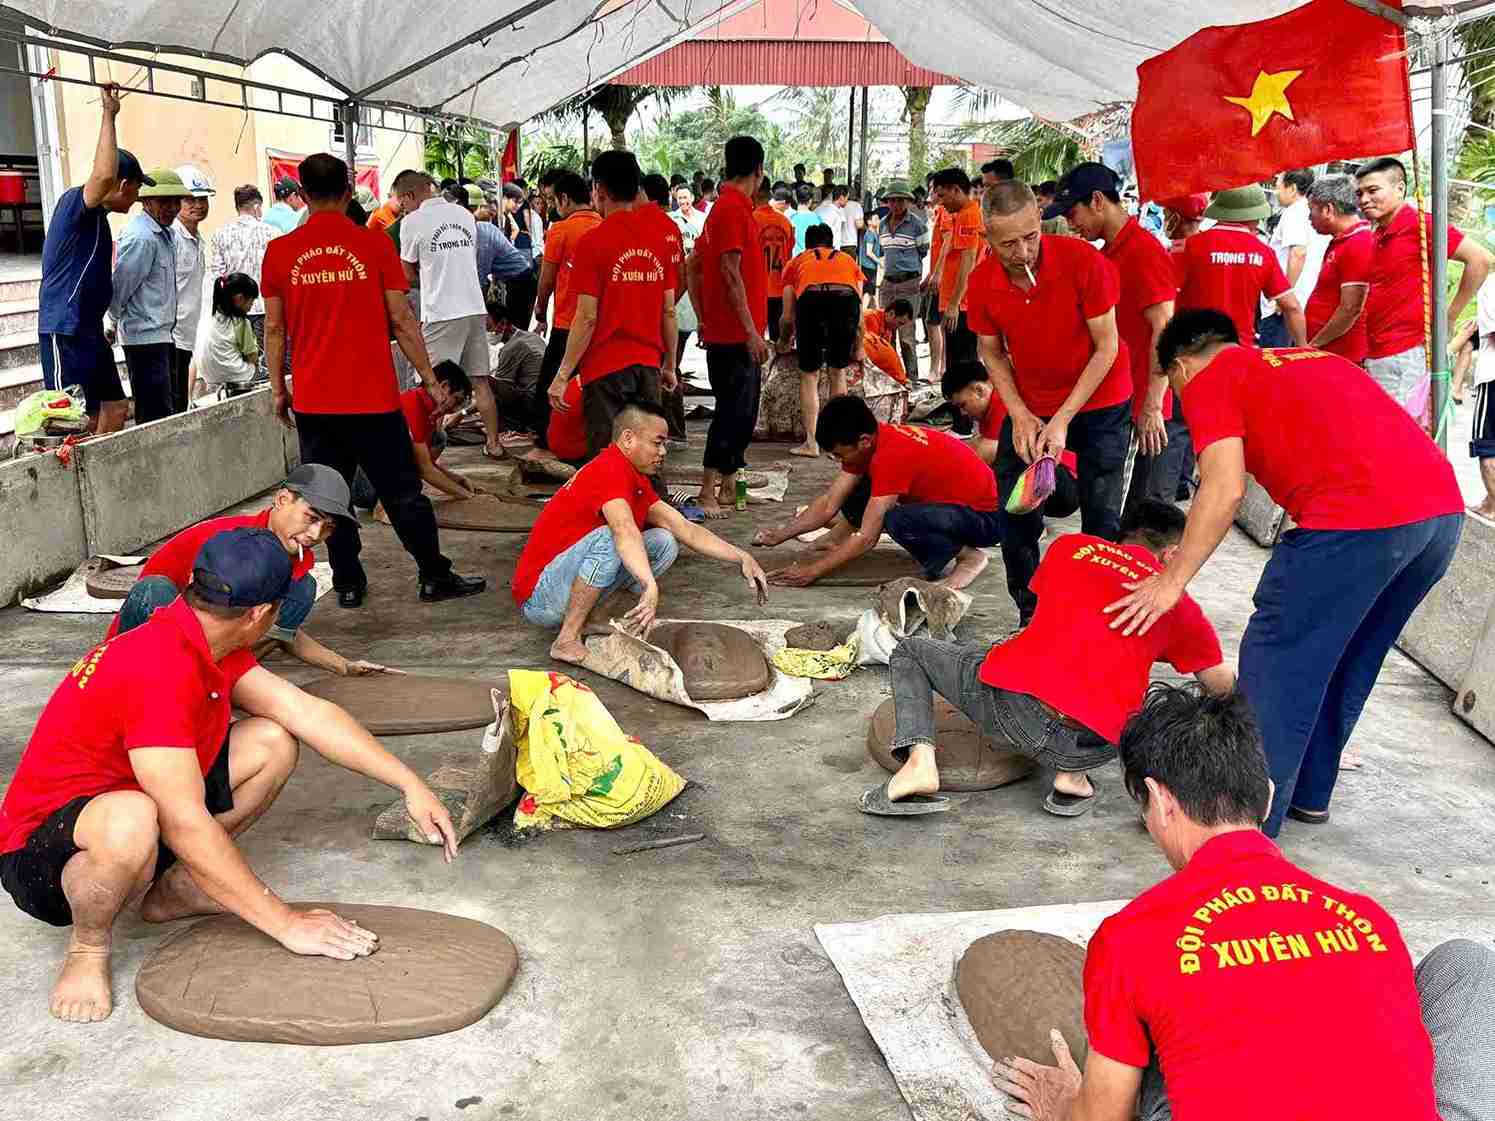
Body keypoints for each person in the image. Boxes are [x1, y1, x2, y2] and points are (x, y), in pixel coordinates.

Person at [0, 527, 461, 1025]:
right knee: (134, 817)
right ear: (260, 614)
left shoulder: (199, 636)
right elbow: (183, 821)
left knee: (271, 740)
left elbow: (307, 713)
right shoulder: (158, 669)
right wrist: (285, 923)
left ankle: (176, 887)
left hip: (133, 800)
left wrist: (409, 783)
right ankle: (88, 948)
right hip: (43, 854)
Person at [996, 683, 1495, 1121]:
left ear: (1161, 800)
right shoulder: (1368, 916)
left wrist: (1065, 1105)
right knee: (1467, 962)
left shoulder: (1130, 936)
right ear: (1269, 796)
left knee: (1160, 1038)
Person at [1105, 310, 1463, 837]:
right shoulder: (1316, 359)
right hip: (1440, 518)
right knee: (1349, 656)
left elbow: (1222, 489)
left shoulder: (1210, 380)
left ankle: (1239, 824)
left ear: (1181, 368)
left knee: (1280, 663)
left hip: (1355, 524)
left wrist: (1170, 580)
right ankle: (1309, 794)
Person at [867, 502, 1229, 816]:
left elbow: (1056, 621)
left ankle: (919, 763)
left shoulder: (1070, 547)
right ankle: (1071, 777)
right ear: (1172, 555)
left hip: (1013, 713)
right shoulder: (1184, 609)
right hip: (1093, 744)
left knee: (912, 651)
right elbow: (1221, 687)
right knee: (1151, 698)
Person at [260, 152, 485, 608]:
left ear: (302, 195)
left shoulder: (280, 252)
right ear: (348, 193)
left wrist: (279, 390)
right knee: (403, 493)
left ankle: (347, 582)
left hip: (317, 403)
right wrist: (428, 379)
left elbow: (274, 329)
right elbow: (402, 321)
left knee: (326, 497)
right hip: (374, 401)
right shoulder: (375, 245)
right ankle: (432, 575)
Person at [969, 180, 1133, 625]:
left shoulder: (1084, 261)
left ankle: (1093, 614)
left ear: (1040, 222)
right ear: (988, 238)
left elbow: (1107, 348)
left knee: (1101, 514)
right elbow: (992, 351)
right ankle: (1031, 612)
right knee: (1013, 506)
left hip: (1100, 398)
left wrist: (1061, 420)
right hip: (1034, 400)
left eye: (1030, 237)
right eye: (1008, 244)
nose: (1022, 252)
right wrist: (1020, 413)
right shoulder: (982, 281)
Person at [513, 400, 768, 663]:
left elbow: (684, 527)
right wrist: (649, 584)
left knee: (664, 541)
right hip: (539, 598)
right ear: (628, 439)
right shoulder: (608, 469)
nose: (663, 452)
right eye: (657, 442)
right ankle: (566, 639)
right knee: (612, 538)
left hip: (561, 584)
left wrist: (742, 556)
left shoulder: (632, 476)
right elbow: (624, 531)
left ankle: (592, 618)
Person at [108, 462, 392, 674]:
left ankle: (221, 675)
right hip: (149, 643)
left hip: (212, 643)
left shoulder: (294, 559)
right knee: (155, 590)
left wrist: (343, 665)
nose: (316, 534)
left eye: (328, 527)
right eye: (311, 517)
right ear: (282, 500)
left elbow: (283, 632)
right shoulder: (228, 543)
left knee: (303, 588)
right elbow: (173, 611)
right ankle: (187, 684)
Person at [751, 395, 1001, 589]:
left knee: (895, 519)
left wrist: (813, 571)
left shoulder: (891, 456)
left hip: (986, 519)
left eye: (840, 454)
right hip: (949, 507)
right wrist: (781, 535)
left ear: (863, 440)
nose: (838, 461)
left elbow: (868, 538)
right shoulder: (872, 439)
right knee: (857, 487)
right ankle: (835, 539)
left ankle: (969, 557)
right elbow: (829, 503)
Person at [1052, 163, 1182, 521]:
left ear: (1097, 201)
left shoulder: (1144, 250)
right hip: (1119, 398)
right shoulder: (1109, 251)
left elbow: (1164, 327)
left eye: (1072, 212)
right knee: (1112, 504)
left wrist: (1153, 403)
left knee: (1130, 509)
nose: (1070, 223)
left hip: (1141, 401)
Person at [548, 150, 678, 458]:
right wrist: (669, 364)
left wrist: (563, 374)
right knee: (648, 457)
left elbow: (587, 317)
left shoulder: (592, 243)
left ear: (599, 190)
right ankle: (647, 505)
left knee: (607, 458)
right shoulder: (658, 239)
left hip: (605, 370)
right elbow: (668, 310)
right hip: (647, 366)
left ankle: (613, 507)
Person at [37, 84, 144, 434]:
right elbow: (101, 177)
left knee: (115, 409)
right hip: (64, 329)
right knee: (70, 421)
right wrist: (109, 114)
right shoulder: (75, 205)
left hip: (90, 331)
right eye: (137, 189)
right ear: (123, 184)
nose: (137, 197)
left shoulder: (100, 220)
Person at [1358, 156, 1492, 412]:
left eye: (1373, 190)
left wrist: (1450, 315)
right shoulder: (1378, 233)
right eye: (1360, 193)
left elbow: (1480, 260)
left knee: (1398, 435)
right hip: (1379, 351)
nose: (1364, 199)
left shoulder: (1421, 224)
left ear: (1400, 188)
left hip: (1406, 353)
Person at [685, 135, 770, 519]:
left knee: (741, 410)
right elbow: (729, 273)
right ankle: (707, 490)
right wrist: (751, 331)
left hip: (727, 330)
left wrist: (703, 315)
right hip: (736, 335)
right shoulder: (732, 209)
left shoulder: (724, 209)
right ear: (759, 171)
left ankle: (730, 487)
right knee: (734, 413)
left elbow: (693, 265)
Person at [398, 170, 504, 461]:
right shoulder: (463, 215)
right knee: (480, 380)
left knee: (428, 383)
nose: (402, 208)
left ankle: (424, 456)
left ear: (409, 195)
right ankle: (494, 443)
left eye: (401, 202)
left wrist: (429, 277)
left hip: (442, 310)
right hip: (474, 306)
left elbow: (406, 273)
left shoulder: (411, 222)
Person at [1174, 185, 1306, 348]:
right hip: (1238, 350)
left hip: (1192, 348)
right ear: (1256, 217)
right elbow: (1292, 307)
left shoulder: (1189, 246)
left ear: (1220, 210)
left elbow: (1168, 297)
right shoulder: (1264, 253)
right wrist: (1303, 347)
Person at [111, 168, 194, 425]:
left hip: (162, 335)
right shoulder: (142, 237)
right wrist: (111, 321)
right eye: (163, 202)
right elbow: (120, 288)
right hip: (144, 339)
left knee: (164, 411)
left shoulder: (164, 234)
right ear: (147, 202)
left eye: (175, 201)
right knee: (154, 415)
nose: (171, 208)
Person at [776, 224, 863, 458]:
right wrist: (860, 346)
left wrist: (783, 342)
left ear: (807, 244)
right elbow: (860, 312)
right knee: (838, 371)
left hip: (812, 303)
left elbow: (786, 317)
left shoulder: (797, 261)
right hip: (846, 303)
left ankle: (812, 443)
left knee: (809, 375)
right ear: (831, 243)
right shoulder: (848, 260)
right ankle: (840, 443)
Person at [532, 173, 602, 448]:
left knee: (552, 384)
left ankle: (547, 438)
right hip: (598, 322)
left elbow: (546, 279)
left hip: (566, 322)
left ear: (564, 199)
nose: (551, 206)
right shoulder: (604, 226)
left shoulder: (560, 230)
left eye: (552, 200)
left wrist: (539, 308)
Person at [353, 361, 477, 510]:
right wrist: (467, 496)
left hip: (369, 477)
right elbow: (424, 469)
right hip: (365, 488)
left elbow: (425, 462)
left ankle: (396, 492)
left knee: (439, 437)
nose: (454, 408)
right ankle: (385, 502)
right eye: (456, 399)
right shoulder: (412, 406)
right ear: (444, 386)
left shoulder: (425, 408)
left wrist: (456, 479)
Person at [210, 185, 280, 382]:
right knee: (268, 366)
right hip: (266, 308)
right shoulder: (273, 233)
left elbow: (216, 274)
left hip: (234, 311)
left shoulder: (219, 234)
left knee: (239, 366)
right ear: (257, 207)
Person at [1303, 173, 1374, 362]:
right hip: (1324, 348)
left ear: (1328, 209)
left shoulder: (1360, 243)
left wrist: (1314, 345)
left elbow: (1351, 307)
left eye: (1311, 209)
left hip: (1337, 353)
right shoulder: (1343, 239)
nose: (1309, 217)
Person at [1255, 168, 1328, 349]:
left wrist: (1284, 298)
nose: (1276, 190)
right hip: (1301, 301)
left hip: (1284, 307)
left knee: (1272, 361)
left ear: (1292, 188)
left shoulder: (1295, 212)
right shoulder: (1312, 211)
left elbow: (1298, 253)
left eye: (1278, 185)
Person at [930, 168, 986, 373]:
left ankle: (962, 403)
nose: (941, 202)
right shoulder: (963, 215)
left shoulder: (968, 216)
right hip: (957, 300)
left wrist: (954, 304)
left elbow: (968, 260)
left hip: (962, 304)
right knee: (958, 360)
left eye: (942, 195)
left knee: (961, 363)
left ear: (956, 190)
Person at [876, 181, 927, 382]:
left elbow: (923, 252)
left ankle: (911, 378)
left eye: (900, 200)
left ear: (907, 201)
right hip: (888, 284)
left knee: (907, 335)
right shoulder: (881, 225)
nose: (896, 204)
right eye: (892, 200)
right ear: (887, 202)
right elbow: (882, 253)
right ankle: (890, 377)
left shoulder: (918, 225)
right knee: (886, 333)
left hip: (909, 284)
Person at [459, 183, 531, 308]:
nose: (490, 216)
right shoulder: (476, 228)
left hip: (517, 282)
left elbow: (481, 273)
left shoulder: (483, 231)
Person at [192, 273, 260, 401]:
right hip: (235, 377)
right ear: (240, 299)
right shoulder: (241, 323)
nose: (251, 307)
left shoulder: (206, 318)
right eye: (251, 302)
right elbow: (252, 357)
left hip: (209, 378)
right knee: (259, 369)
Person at [1463, 274, 1495, 520]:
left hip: (1493, 375)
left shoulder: (1491, 283)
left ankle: (1492, 506)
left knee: (1487, 445)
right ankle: (1489, 501)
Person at [487, 302, 546, 434]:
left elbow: (500, 390)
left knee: (487, 386)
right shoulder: (532, 336)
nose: (487, 332)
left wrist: (463, 413)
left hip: (533, 405)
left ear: (503, 323)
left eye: (489, 327)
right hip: (544, 401)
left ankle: (504, 432)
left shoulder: (511, 348)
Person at [754, 184, 795, 344]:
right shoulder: (785, 222)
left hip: (758, 287)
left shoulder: (751, 220)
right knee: (778, 338)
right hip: (780, 286)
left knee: (756, 338)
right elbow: (789, 253)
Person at [789, 184, 825, 254]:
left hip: (796, 260)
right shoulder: (817, 219)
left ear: (796, 199)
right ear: (810, 200)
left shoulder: (790, 219)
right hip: (812, 259)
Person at [859, 213, 884, 308]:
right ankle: (865, 311)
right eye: (876, 219)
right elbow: (869, 252)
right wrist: (879, 261)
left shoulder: (874, 234)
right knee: (869, 291)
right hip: (869, 266)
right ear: (869, 222)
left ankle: (876, 309)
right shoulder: (870, 235)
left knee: (871, 290)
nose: (878, 221)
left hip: (870, 266)